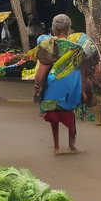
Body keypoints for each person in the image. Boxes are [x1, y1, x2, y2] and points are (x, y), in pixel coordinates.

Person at [34, 14, 83, 155]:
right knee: (70, 114)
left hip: (54, 86)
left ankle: (57, 147)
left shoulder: (48, 45)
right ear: (69, 29)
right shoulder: (77, 46)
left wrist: (37, 87)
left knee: (54, 116)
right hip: (73, 86)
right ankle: (71, 145)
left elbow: (41, 72)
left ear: (54, 29)